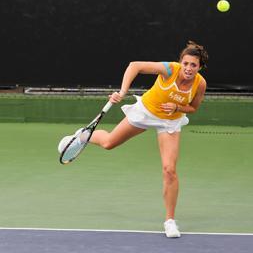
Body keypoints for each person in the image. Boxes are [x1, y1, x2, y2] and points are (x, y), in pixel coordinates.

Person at [59, 41, 207, 238]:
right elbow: (134, 66)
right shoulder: (169, 69)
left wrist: (178, 108)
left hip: (169, 123)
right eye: (186, 63)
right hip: (146, 112)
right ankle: (84, 135)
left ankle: (170, 221)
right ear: (180, 62)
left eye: (193, 65)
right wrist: (122, 91)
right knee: (109, 143)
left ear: (199, 67)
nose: (188, 68)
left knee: (169, 170)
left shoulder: (200, 84)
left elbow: (193, 108)